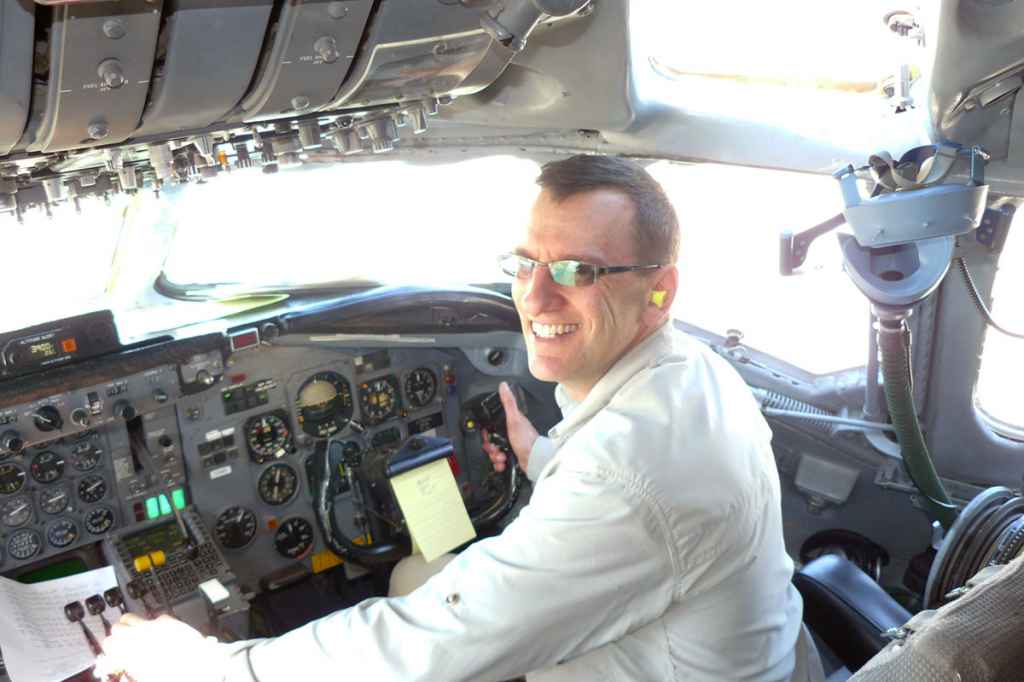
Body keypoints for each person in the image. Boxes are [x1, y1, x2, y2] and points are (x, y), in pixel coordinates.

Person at [97, 155, 807, 681]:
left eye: (576, 272)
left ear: (661, 292)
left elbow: (439, 644)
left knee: (418, 600)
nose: (533, 298)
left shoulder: (631, 474)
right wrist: (549, 460)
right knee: (415, 572)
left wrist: (210, 668)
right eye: (525, 261)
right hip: (732, 656)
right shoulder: (696, 376)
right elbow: (650, 515)